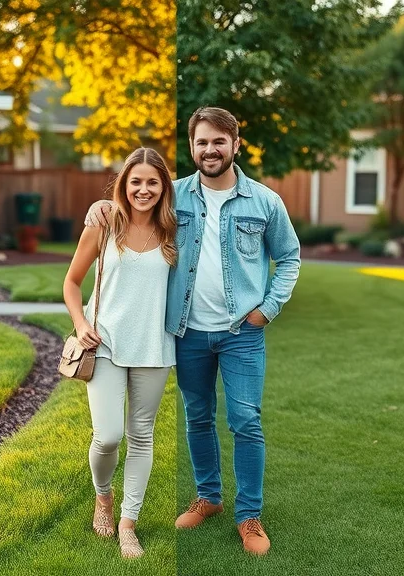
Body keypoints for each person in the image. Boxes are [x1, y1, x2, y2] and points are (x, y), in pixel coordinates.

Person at [84, 107, 301, 556]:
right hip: (186, 332)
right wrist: (100, 205)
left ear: (236, 145)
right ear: (192, 146)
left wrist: (268, 309)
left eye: (219, 141)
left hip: (242, 332)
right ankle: (208, 498)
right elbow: (132, 203)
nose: (210, 149)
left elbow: (289, 257)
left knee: (245, 420)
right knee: (197, 416)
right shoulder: (173, 195)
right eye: (202, 142)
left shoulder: (265, 201)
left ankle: (249, 515)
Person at [63, 147, 179, 559]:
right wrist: (81, 324)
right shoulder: (104, 223)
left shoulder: (175, 230)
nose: (144, 190)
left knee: (142, 436)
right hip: (106, 344)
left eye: (153, 182)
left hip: (153, 347)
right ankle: (103, 495)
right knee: (109, 435)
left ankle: (128, 522)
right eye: (136, 182)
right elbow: (72, 282)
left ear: (164, 187)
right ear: (124, 184)